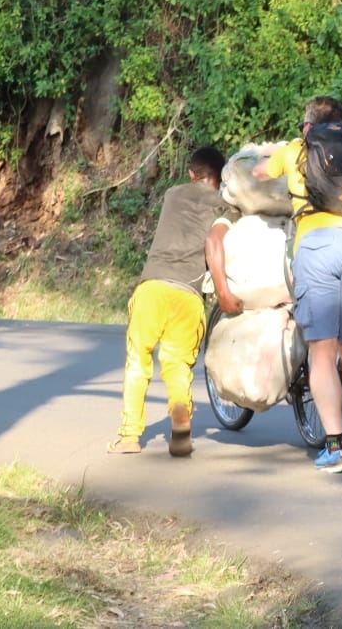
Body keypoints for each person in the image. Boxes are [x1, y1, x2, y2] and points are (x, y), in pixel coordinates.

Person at [252, 96, 342, 474]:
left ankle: (335, 448)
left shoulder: (296, 149)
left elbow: (257, 174)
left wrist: (269, 154)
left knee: (323, 352)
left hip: (318, 245)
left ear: (308, 126)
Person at [108, 146, 240, 456]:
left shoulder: (172, 194)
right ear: (221, 177)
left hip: (152, 287)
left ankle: (129, 437)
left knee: (138, 361)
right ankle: (180, 420)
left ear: (192, 174)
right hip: (188, 294)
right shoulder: (226, 206)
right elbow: (217, 241)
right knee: (177, 363)